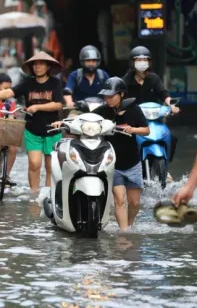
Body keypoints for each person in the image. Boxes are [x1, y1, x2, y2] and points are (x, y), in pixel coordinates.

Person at [52, 77, 150, 231]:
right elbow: (82, 120)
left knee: (135, 203)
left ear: (122, 94)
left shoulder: (134, 109)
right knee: (119, 200)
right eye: (105, 96)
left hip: (133, 162)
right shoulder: (102, 111)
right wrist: (63, 123)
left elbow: (146, 130)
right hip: (112, 162)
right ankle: (124, 233)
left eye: (111, 96)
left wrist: (133, 129)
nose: (107, 99)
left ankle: (129, 224)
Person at [0, 52, 63, 195]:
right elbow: (8, 93)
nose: (37, 67)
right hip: (32, 129)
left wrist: (37, 107)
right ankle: (34, 194)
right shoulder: (28, 83)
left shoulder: (55, 83)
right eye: (35, 64)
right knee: (34, 164)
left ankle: (48, 195)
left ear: (48, 67)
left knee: (50, 166)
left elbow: (58, 105)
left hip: (52, 129)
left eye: (41, 64)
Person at [122, 46, 180, 181]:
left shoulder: (154, 78)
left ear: (149, 62)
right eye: (138, 59)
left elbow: (163, 93)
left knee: (172, 137)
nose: (142, 62)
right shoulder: (127, 80)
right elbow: (121, 97)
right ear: (132, 62)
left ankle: (166, 167)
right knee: (125, 141)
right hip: (134, 120)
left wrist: (171, 105)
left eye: (144, 59)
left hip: (154, 119)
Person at [64, 45, 109, 114]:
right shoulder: (75, 75)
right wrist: (69, 102)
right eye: (88, 61)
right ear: (82, 61)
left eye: (93, 61)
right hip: (79, 110)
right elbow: (68, 91)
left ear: (98, 62)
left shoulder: (103, 75)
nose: (91, 63)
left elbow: (111, 92)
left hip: (101, 110)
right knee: (70, 121)